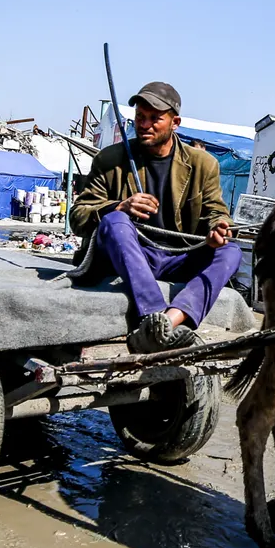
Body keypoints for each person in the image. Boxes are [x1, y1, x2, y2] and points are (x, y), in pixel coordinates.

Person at [69, 81, 240, 354]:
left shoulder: (203, 164)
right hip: (128, 254)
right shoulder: (110, 159)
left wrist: (218, 228)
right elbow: (78, 216)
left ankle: (171, 320)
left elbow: (216, 211)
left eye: (155, 119)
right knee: (115, 221)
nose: (144, 124)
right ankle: (153, 316)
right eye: (140, 117)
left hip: (179, 256)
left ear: (175, 122)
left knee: (230, 251)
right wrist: (119, 207)